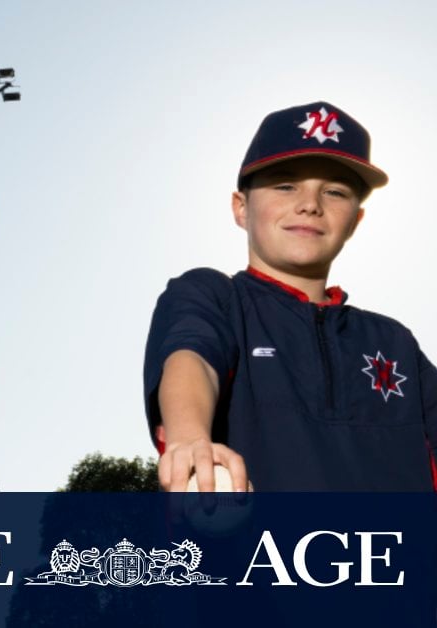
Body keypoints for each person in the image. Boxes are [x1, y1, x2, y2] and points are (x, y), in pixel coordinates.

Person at [143, 101, 437, 492]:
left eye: (334, 191)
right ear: (241, 208)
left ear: (356, 221)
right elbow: (191, 357)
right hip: (264, 550)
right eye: (285, 185)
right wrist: (190, 437)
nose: (310, 205)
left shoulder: (393, 340)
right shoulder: (215, 296)